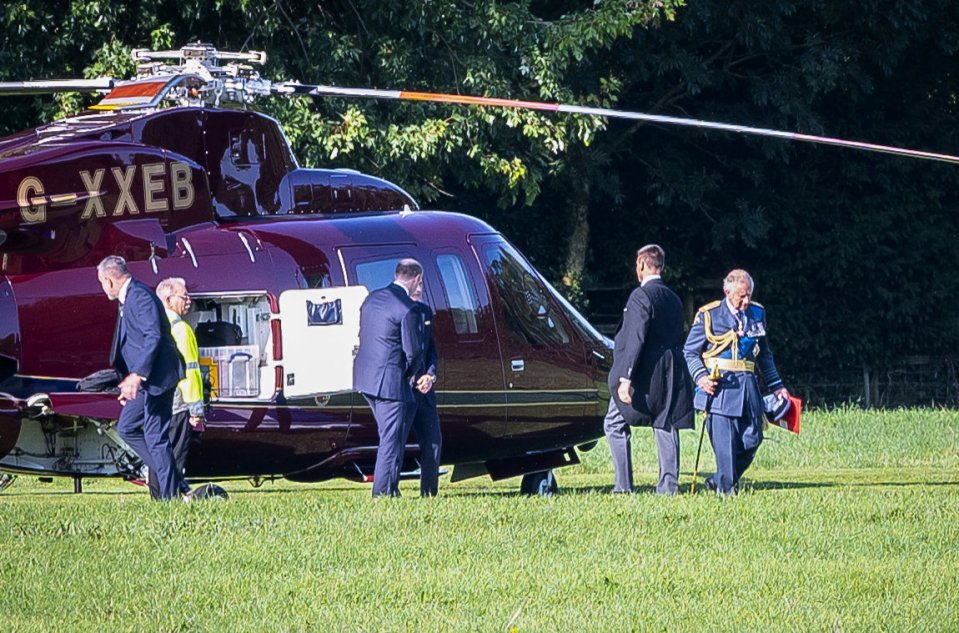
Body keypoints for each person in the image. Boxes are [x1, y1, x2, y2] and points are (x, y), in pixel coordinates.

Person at [683, 269, 789, 495]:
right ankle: (727, 493)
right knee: (725, 447)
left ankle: (718, 480)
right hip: (719, 389)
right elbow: (690, 352)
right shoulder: (709, 314)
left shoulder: (758, 313)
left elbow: (764, 354)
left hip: (748, 388)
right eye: (741, 296)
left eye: (748, 294)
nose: (746, 300)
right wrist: (701, 378)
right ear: (727, 291)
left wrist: (777, 385)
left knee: (753, 438)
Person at [605, 245, 694, 495]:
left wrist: (625, 378)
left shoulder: (640, 297)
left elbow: (636, 338)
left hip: (642, 372)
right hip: (671, 369)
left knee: (613, 422)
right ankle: (669, 486)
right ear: (661, 267)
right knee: (665, 422)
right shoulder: (674, 298)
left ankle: (623, 486)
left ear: (642, 265)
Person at [97, 256, 186, 501]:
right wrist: (128, 378)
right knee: (127, 427)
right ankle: (169, 475)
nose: (103, 288)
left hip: (159, 377)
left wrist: (137, 375)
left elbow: (153, 335)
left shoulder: (139, 296)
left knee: (156, 438)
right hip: (144, 379)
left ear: (108, 280)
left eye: (102, 283)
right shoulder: (127, 299)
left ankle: (171, 496)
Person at [353, 259, 424, 497]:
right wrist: (410, 374)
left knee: (390, 435)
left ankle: (392, 489)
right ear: (416, 279)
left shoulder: (371, 299)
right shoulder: (408, 308)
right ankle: (382, 493)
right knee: (390, 440)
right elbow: (413, 353)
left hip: (365, 378)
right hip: (390, 383)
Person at [152, 277, 205, 500]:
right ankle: (171, 500)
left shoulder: (153, 327)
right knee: (175, 454)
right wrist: (195, 409)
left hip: (157, 403)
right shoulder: (181, 329)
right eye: (184, 297)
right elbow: (190, 371)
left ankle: (158, 500)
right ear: (168, 299)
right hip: (178, 405)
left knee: (159, 452)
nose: (189, 301)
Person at [409, 283, 442, 497]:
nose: (419, 288)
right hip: (404, 391)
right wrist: (414, 380)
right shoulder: (398, 313)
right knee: (395, 442)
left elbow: (431, 350)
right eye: (415, 283)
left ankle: (429, 493)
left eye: (422, 283)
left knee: (434, 440)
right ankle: (388, 492)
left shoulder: (426, 312)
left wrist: (430, 375)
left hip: (426, 392)